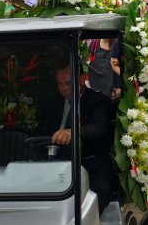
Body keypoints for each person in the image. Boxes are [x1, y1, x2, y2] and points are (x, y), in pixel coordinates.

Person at [45, 62, 116, 214]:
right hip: (58, 165)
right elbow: (43, 130)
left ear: (82, 79)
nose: (64, 88)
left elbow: (98, 127)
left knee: (99, 192)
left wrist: (72, 133)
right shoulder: (51, 103)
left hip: (92, 162)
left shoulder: (98, 101)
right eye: (60, 84)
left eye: (69, 83)